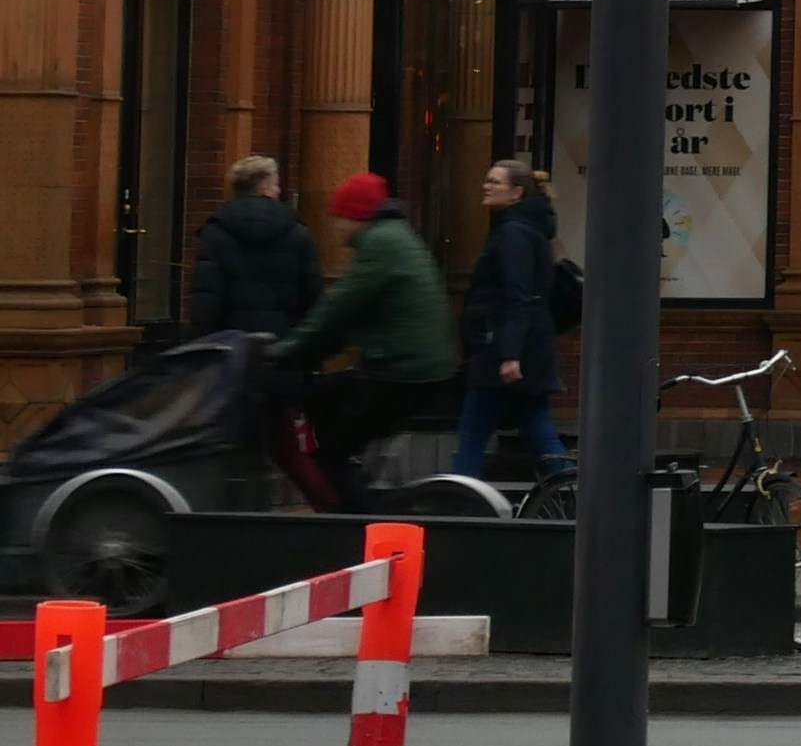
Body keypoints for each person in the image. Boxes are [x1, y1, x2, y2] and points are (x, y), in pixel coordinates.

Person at [270, 171, 459, 511]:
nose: (335, 227)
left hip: (399, 373)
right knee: (320, 402)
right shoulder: (396, 236)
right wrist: (319, 347)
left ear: (356, 216)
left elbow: (338, 306)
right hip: (414, 368)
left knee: (330, 453)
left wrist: (285, 350)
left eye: (339, 217)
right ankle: (360, 491)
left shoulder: (380, 245)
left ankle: (361, 524)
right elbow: (354, 317)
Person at [453, 157, 568, 483]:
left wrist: (509, 355)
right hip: (528, 347)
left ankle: (459, 500)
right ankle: (570, 491)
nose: (486, 186)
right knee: (536, 425)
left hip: (503, 352)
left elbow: (518, 295)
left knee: (472, 435)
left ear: (517, 192)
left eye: (495, 182)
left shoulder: (513, 233)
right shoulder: (527, 229)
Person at [186, 154, 318, 339]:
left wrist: (201, 342)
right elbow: (311, 294)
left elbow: (207, 296)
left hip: (231, 344)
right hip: (283, 342)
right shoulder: (297, 232)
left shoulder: (215, 232)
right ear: (266, 189)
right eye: (276, 185)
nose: (279, 190)